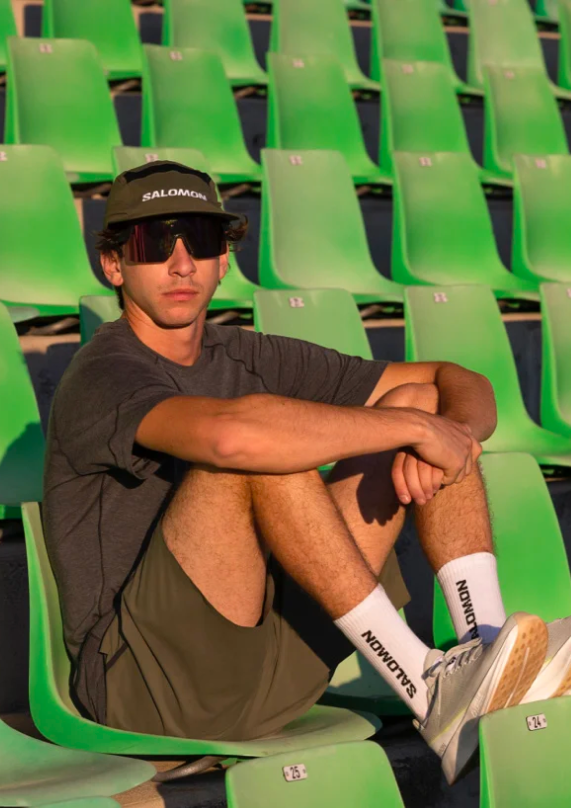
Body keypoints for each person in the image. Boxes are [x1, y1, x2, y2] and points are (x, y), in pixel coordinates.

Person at [43, 161, 570, 786]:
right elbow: (233, 437)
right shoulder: (101, 374)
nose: (181, 264)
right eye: (153, 244)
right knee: (263, 450)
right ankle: (427, 689)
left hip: (275, 666)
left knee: (421, 404)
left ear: (222, 260)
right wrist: (414, 433)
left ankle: (479, 648)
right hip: (146, 689)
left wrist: (444, 430)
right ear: (113, 265)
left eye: (200, 243)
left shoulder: (244, 354)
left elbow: (460, 382)